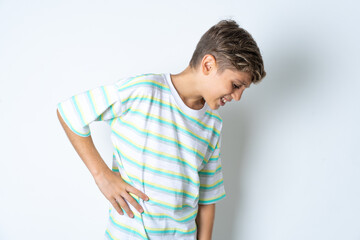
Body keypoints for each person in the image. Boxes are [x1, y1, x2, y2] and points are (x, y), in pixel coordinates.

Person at [56, 19, 266, 240]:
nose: (238, 96)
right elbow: (70, 112)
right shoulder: (144, 91)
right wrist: (102, 175)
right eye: (235, 85)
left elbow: (207, 200)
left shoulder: (213, 124)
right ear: (208, 65)